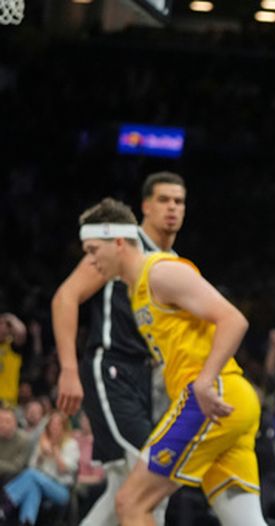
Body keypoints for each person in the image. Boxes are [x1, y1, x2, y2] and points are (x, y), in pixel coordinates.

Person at [76, 197, 266, 525]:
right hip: (230, 404)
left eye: (93, 250)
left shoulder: (161, 271)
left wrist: (205, 380)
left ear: (118, 242)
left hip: (210, 397)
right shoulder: (137, 290)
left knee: (131, 502)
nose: (90, 261)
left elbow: (233, 319)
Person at [52, 171, 185, 525]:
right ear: (145, 206)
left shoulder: (170, 260)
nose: (172, 208)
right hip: (110, 367)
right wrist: (67, 368)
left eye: (179, 201)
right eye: (164, 200)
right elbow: (66, 296)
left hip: (142, 378)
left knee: (121, 491)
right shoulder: (121, 242)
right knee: (153, 478)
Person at [0, 411, 79, 526]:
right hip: (40, 483)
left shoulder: (71, 444)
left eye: (58, 425)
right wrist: (41, 456)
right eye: (52, 424)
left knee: (31, 475)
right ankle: (26, 522)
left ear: (64, 427)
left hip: (61, 489)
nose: (54, 427)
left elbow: (65, 470)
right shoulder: (43, 442)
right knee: (33, 486)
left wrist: (55, 451)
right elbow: (32, 465)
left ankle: (5, 507)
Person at [0, 312, 27, 407]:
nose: (2, 328)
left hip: (8, 401)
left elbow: (22, 332)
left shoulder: (13, 346)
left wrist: (10, 318)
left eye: (5, 326)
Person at [0, 406, 32, 484]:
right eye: (0, 421)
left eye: (7, 421)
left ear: (15, 423)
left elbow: (16, 468)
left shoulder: (25, 440)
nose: (2, 425)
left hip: (13, 480)